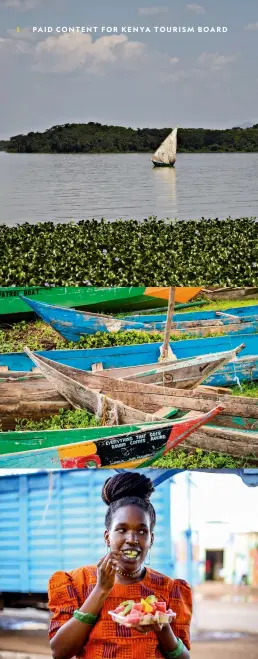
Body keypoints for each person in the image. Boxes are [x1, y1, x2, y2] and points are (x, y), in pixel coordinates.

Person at [48, 472, 192, 659]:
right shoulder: (77, 582)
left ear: (151, 539)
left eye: (141, 531)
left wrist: (161, 624)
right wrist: (101, 590)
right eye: (122, 530)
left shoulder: (170, 589)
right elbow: (59, 652)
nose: (132, 539)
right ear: (107, 537)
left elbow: (184, 658)